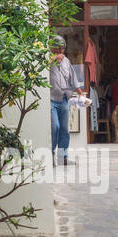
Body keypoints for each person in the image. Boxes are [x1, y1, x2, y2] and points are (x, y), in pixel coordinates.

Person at [49, 36, 82, 165]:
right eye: (58, 48)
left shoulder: (66, 61)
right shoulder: (47, 59)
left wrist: (80, 94)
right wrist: (54, 58)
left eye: (62, 48)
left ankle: (63, 157)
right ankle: (50, 155)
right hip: (51, 99)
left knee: (64, 129)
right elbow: (42, 67)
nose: (61, 51)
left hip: (64, 99)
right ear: (52, 47)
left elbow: (73, 79)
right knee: (55, 127)